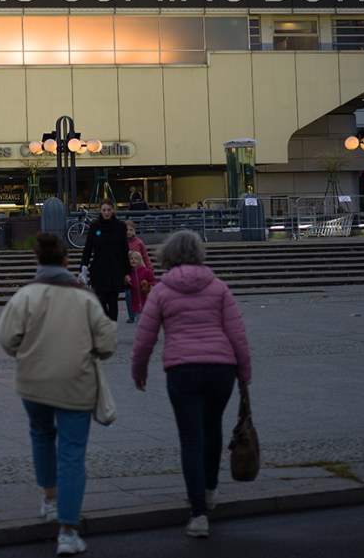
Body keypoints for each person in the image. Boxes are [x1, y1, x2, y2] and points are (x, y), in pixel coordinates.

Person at [0, 233, 116, 557]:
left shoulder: (25, 296)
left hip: (33, 382)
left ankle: (50, 500)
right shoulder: (85, 298)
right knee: (72, 452)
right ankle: (67, 531)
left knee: (41, 435)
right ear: (66, 261)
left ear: (37, 260)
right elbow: (107, 344)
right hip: (76, 384)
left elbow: (7, 339)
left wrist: (28, 353)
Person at [131, 230, 252, 539]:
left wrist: (139, 371)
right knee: (212, 429)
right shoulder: (218, 287)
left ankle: (199, 515)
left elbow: (145, 338)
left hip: (182, 371)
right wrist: (244, 372)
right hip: (220, 370)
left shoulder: (161, 291)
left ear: (167, 255)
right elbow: (237, 333)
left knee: (190, 439)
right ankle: (210, 490)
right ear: (198, 253)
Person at [79, 199, 128, 321]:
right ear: (100, 211)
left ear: (113, 210)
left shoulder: (120, 227)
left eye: (109, 210)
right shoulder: (94, 226)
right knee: (100, 299)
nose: (106, 213)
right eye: (104, 210)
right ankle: (107, 323)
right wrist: (82, 268)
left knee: (112, 301)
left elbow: (125, 249)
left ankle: (112, 327)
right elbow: (88, 248)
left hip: (115, 269)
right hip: (99, 269)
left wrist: (127, 272)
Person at [123, 220, 153, 324]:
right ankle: (131, 314)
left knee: (141, 292)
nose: (128, 232)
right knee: (128, 293)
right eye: (127, 230)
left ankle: (143, 310)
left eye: (131, 230)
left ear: (134, 231)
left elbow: (145, 256)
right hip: (128, 271)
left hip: (140, 270)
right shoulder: (121, 242)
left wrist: (149, 268)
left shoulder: (139, 242)